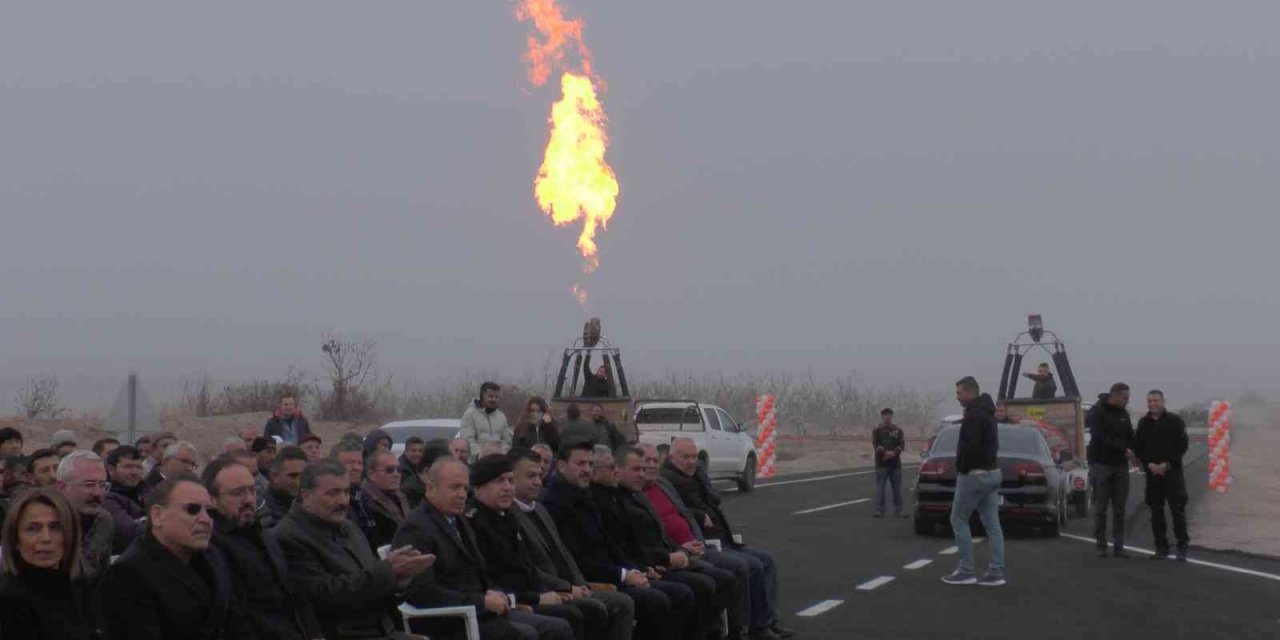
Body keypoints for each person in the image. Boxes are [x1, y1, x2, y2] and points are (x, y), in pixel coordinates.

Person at [392, 457, 564, 640]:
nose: (462, 494)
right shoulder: (417, 528)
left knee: (557, 625)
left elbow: (481, 570)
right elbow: (423, 592)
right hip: (449, 619)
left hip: (478, 611)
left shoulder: (459, 519)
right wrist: (481, 601)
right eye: (454, 487)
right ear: (431, 488)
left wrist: (493, 591)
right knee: (530, 633)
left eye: (465, 488)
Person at [543, 440, 693, 640]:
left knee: (684, 589)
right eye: (580, 464)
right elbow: (578, 557)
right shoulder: (557, 502)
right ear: (561, 466)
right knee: (658, 598)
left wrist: (635, 568)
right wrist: (624, 575)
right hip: (593, 580)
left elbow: (611, 544)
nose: (587, 470)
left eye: (589, 464)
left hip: (615, 572)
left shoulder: (585, 495)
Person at [275, 459, 433, 640]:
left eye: (346, 492)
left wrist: (399, 581)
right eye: (333, 493)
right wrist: (388, 570)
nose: (343, 501)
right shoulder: (289, 537)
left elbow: (373, 581)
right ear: (306, 495)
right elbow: (325, 596)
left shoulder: (349, 528)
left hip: (382, 630)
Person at [662, 438, 793, 638]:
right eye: (685, 457)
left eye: (694, 457)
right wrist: (697, 514)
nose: (691, 462)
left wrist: (702, 476)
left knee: (767, 561)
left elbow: (715, 499)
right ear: (672, 458)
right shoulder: (669, 482)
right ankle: (751, 627)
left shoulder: (696, 475)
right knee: (751, 565)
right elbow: (675, 511)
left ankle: (770, 620)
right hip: (708, 543)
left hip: (724, 539)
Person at [99, 473, 252, 639]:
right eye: (192, 509)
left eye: (209, 511)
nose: (205, 519)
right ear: (158, 515)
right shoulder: (128, 574)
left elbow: (235, 624)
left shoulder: (213, 556)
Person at [611, 446, 738, 640]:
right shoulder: (618, 502)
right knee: (697, 587)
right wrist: (664, 559)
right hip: (652, 564)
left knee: (724, 578)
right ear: (617, 471)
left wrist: (682, 551)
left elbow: (668, 528)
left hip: (674, 555)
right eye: (637, 469)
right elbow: (631, 546)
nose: (643, 473)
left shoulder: (643, 493)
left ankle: (717, 633)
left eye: (648, 466)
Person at [510, 448, 637, 640]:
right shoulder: (512, 515)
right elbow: (530, 568)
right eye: (530, 476)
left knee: (621, 602)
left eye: (539, 475)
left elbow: (564, 553)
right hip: (543, 590)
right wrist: (567, 588)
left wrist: (580, 584)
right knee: (589, 609)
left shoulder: (540, 509)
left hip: (567, 585)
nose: (538, 481)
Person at [638, 443, 760, 640]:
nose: (651, 466)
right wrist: (682, 550)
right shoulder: (638, 495)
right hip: (675, 554)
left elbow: (686, 513)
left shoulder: (662, 484)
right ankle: (722, 632)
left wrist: (698, 539)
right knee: (727, 572)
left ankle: (740, 629)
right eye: (645, 462)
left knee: (750, 565)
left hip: (696, 546)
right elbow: (656, 532)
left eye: (654, 460)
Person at [203, 456, 325, 640]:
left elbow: (293, 591)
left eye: (252, 491)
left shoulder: (262, 533)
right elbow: (242, 614)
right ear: (211, 499)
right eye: (237, 493)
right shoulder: (211, 545)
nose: (249, 499)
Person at [467, 454, 584, 639]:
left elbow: (527, 567)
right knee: (564, 620)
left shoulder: (507, 517)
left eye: (510, 481)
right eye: (499, 481)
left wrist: (557, 590)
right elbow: (495, 577)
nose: (507, 488)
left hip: (526, 594)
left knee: (582, 609)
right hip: (507, 600)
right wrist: (537, 598)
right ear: (478, 488)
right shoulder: (474, 522)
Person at [0, 488, 99, 640]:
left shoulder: (79, 587)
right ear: (15, 540)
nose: (46, 538)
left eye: (56, 527)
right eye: (33, 529)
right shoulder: (9, 600)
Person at [941, 377, 1006, 587]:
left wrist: (961, 467)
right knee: (992, 525)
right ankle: (996, 572)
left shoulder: (974, 417)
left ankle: (966, 571)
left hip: (974, 475)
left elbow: (969, 448)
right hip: (993, 472)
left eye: (959, 393)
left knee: (958, 519)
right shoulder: (988, 414)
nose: (957, 397)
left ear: (970, 393)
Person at [1134, 390, 1190, 561]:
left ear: (1163, 401)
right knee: (1156, 512)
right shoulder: (1143, 423)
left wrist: (1167, 464)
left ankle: (1182, 546)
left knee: (1177, 511)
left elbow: (1182, 445)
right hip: (1152, 475)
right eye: (1149, 401)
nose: (1152, 404)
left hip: (1172, 473)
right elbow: (1139, 447)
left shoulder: (1175, 421)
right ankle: (1161, 547)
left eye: (1156, 400)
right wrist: (1149, 464)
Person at [1087, 382, 1136, 559]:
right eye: (1125, 398)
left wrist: (1135, 451)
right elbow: (1100, 437)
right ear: (1114, 395)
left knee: (1120, 508)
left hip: (1121, 467)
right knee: (1101, 507)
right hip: (1101, 465)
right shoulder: (1097, 411)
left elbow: (1130, 435)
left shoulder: (1123, 413)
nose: (1127, 401)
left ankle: (1119, 546)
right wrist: (1123, 450)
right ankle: (1101, 545)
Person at [55, 451, 114, 584]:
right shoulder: (47, 522)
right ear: (62, 487)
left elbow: (101, 579)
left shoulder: (102, 519)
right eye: (89, 485)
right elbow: (77, 576)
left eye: (103, 485)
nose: (98, 493)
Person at [356, 450, 413, 550]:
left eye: (398, 469)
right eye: (389, 470)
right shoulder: (361, 503)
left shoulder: (402, 497)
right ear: (371, 474)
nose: (396, 474)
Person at [104, 445, 147, 554]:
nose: (134, 472)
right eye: (128, 467)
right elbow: (129, 533)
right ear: (111, 469)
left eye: (138, 467)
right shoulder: (106, 497)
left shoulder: (148, 491)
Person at [460, 381, 513, 459]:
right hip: (476, 462)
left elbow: (507, 441)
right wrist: (481, 455)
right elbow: (468, 439)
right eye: (490, 396)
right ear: (482, 396)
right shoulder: (470, 414)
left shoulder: (501, 417)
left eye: (496, 397)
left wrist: (502, 454)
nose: (493, 399)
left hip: (498, 461)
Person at [872, 408, 907, 519]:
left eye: (889, 415)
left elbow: (902, 445)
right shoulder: (877, 430)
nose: (888, 417)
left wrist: (893, 453)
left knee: (897, 488)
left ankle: (899, 510)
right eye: (885, 415)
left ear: (892, 416)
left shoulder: (898, 430)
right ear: (882, 416)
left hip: (895, 464)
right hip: (881, 464)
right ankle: (879, 510)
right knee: (880, 488)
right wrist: (885, 453)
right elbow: (876, 445)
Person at [262, 446, 309, 528]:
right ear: (275, 477)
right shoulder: (263, 510)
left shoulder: (309, 506)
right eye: (293, 476)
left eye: (303, 476)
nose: (298, 482)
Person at [400, 436, 428, 509]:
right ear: (406, 451)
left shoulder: (420, 467)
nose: (417, 454)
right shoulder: (400, 470)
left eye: (420, 451)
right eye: (413, 451)